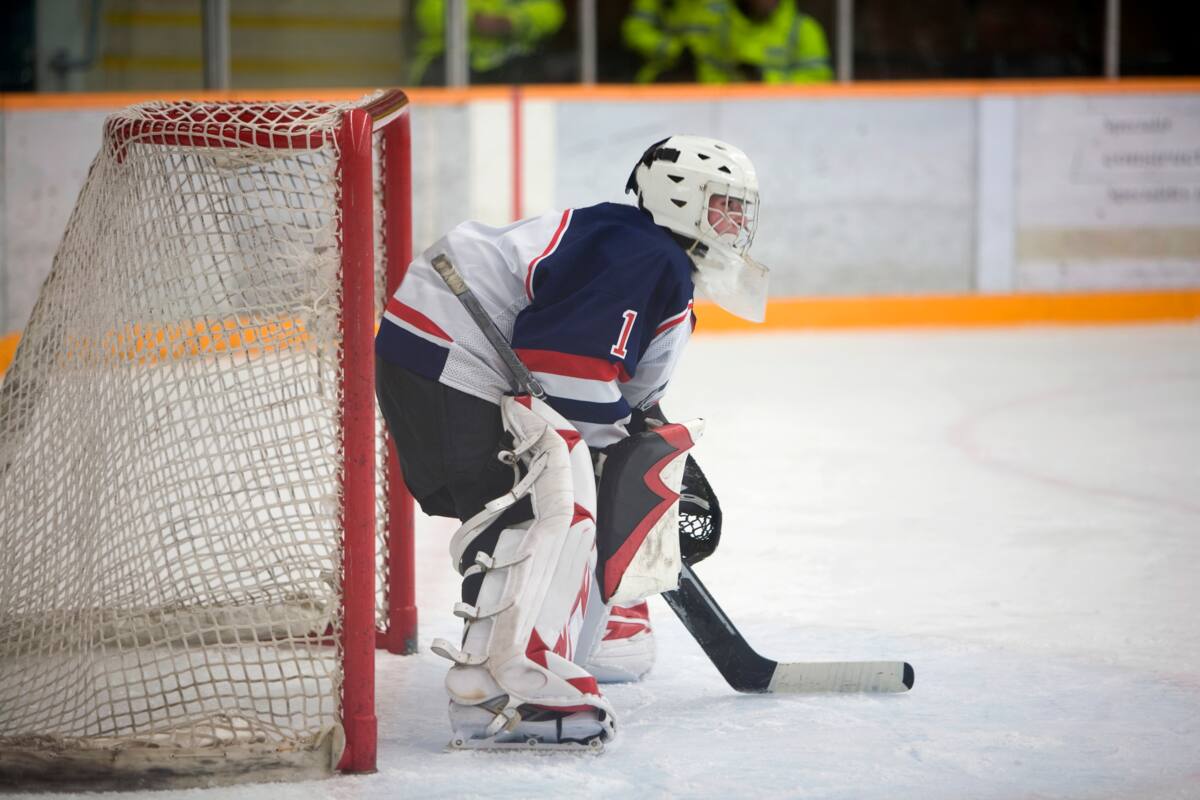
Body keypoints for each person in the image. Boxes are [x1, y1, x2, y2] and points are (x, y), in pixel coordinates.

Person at [374, 135, 769, 748]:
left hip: (442, 356)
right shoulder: (646, 254)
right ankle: (501, 691)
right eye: (725, 205)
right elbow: (563, 370)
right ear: (680, 197)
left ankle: (570, 634)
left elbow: (603, 382)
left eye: (743, 210)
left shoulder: (645, 255)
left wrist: (627, 436)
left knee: (552, 492)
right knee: (542, 506)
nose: (737, 224)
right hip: (453, 359)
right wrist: (619, 448)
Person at [623, 0, 833, 84]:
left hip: (785, 117)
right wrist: (676, 55)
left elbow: (821, 83)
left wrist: (766, 78)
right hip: (724, 112)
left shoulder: (804, 29)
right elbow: (711, 75)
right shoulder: (723, 25)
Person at [411, 0, 566, 85]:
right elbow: (427, 13)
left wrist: (514, 21)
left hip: (516, 64)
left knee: (539, 74)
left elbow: (552, 13)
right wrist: (471, 20)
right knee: (439, 77)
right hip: (451, 63)